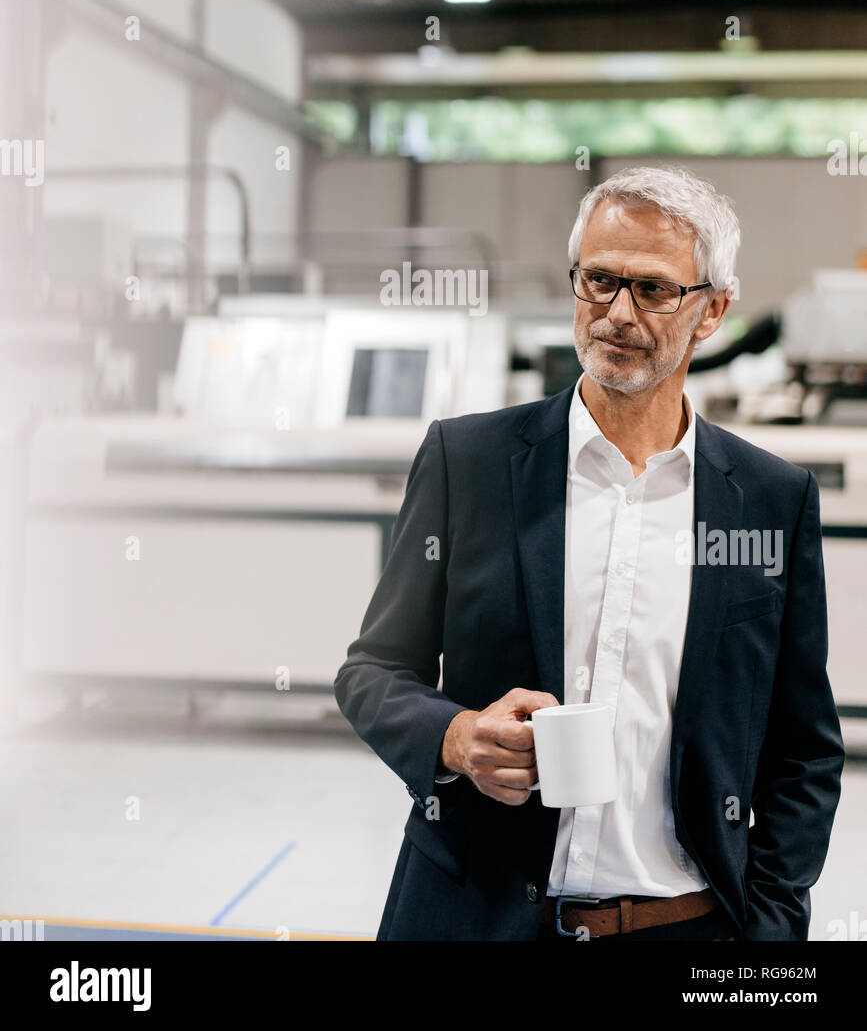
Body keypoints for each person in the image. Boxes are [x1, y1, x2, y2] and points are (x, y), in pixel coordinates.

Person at [333, 165, 844, 941]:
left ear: (712, 310)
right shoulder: (467, 463)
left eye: (652, 290)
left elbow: (802, 752)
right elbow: (371, 672)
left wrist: (770, 929)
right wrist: (453, 737)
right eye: (596, 281)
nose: (615, 313)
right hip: (475, 916)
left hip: (687, 925)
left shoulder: (770, 500)